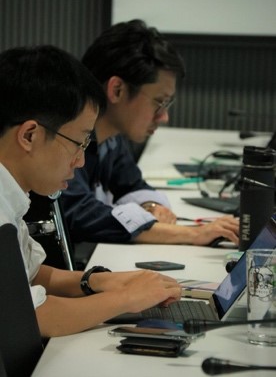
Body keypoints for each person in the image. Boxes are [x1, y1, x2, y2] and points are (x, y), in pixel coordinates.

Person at [0, 45, 182, 337]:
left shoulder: (12, 193)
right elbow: (31, 317)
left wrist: (97, 282)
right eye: (78, 143)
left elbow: (31, 274)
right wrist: (126, 298)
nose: (81, 160)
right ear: (29, 135)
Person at [61, 19, 239, 252]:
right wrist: (193, 234)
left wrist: (151, 205)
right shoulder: (66, 136)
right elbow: (81, 214)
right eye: (160, 102)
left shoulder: (112, 135)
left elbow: (131, 183)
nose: (164, 117)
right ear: (117, 90)